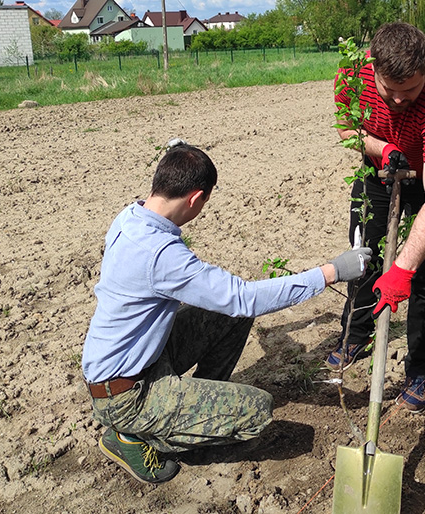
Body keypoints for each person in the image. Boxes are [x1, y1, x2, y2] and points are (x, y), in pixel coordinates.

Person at [82, 141, 371, 484]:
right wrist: (330, 272)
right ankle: (131, 438)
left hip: (136, 361)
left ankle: (197, 403)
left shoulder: (132, 216)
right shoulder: (160, 254)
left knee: (228, 316)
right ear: (195, 199)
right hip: (127, 395)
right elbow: (243, 297)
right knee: (257, 412)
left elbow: (232, 305)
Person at [326, 22, 425, 413]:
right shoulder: (352, 74)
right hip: (376, 173)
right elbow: (346, 127)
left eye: (411, 89)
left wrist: (403, 268)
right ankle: (355, 336)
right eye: (391, 90)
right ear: (373, 69)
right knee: (363, 260)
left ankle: (421, 367)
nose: (401, 99)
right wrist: (382, 148)